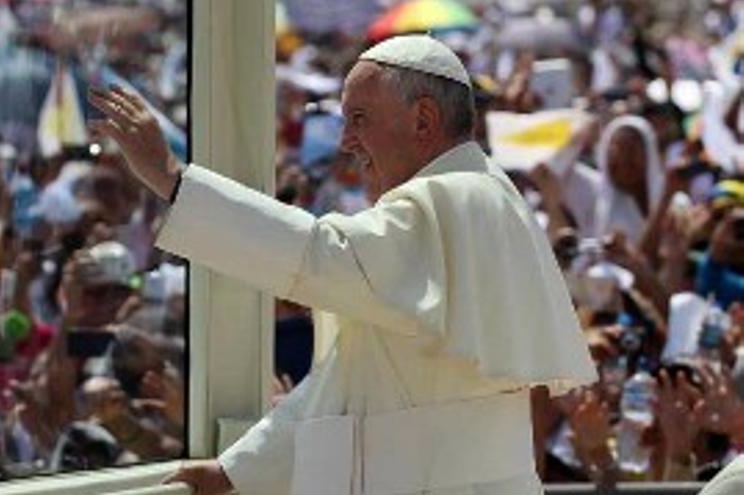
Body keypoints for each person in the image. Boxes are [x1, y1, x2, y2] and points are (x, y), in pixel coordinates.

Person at [88, 35, 597, 495]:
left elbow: (317, 255)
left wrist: (173, 180)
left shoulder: (447, 198)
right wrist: (235, 472)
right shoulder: (485, 196)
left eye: (359, 119)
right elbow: (346, 388)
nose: (345, 142)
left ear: (423, 120)